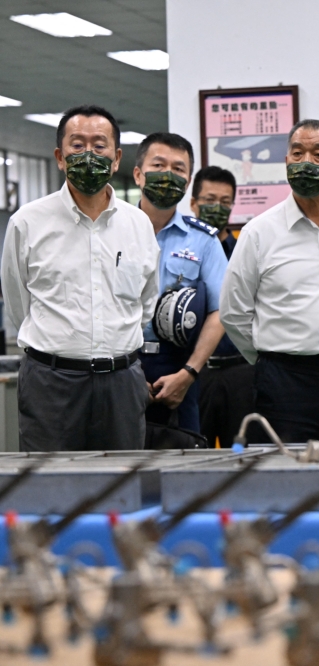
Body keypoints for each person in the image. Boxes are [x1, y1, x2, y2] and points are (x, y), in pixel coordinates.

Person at [1, 105, 158, 451]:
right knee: (51, 495)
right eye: (77, 145)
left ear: (117, 158)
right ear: (59, 156)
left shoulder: (138, 224)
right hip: (51, 384)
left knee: (123, 490)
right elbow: (18, 303)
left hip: (123, 383)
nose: (89, 154)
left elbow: (146, 302)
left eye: (99, 146)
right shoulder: (27, 223)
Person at [220, 120, 319, 446]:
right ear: (286, 163)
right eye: (297, 153)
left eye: (318, 154)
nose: (306, 162)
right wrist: (270, 360)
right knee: (288, 478)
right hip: (284, 382)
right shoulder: (259, 231)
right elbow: (234, 311)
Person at [134, 133, 228, 433]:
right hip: (119, 365)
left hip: (177, 366)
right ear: (138, 174)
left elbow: (220, 310)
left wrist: (189, 373)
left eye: (178, 169)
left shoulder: (203, 240)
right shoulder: (113, 229)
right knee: (118, 465)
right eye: (159, 165)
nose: (168, 175)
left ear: (188, 182)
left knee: (183, 463)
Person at [190, 166, 254, 447]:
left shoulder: (244, 251)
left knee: (240, 452)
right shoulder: (185, 253)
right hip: (196, 373)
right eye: (209, 200)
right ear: (193, 203)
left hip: (240, 372)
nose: (218, 208)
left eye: (225, 202)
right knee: (194, 448)